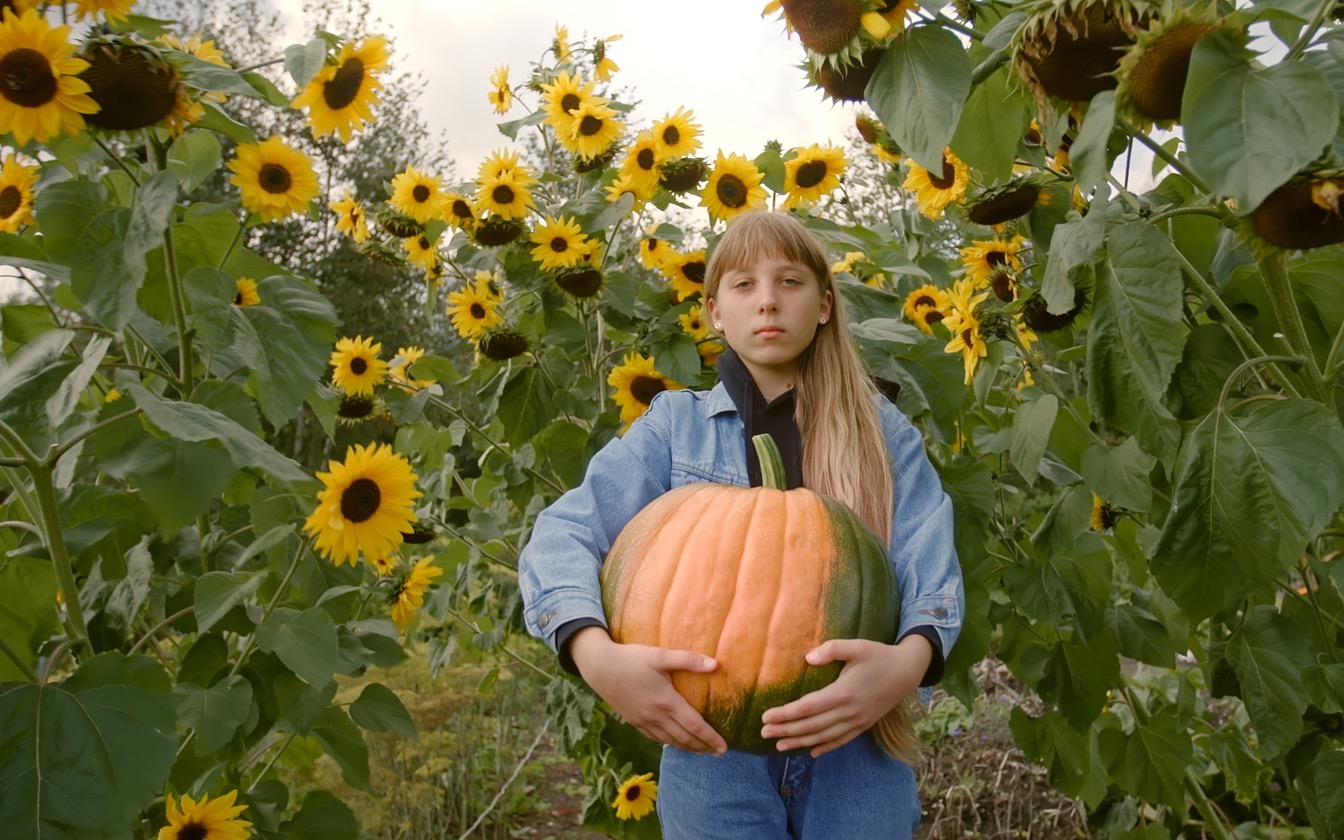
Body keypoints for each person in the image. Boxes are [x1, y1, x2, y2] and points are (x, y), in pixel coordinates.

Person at [518, 210, 963, 838]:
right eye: (744, 285)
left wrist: (908, 663)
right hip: (710, 748)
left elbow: (929, 562)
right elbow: (564, 533)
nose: (768, 303)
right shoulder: (676, 429)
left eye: (789, 281)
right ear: (715, 313)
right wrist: (592, 653)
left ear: (826, 305)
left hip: (855, 739)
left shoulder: (880, 431)